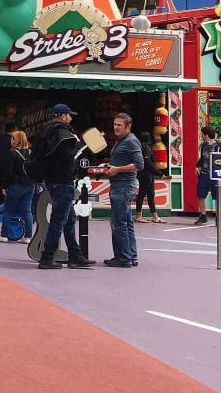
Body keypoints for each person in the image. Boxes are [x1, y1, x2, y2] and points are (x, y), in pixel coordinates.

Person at [29, 103, 94, 269]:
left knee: (69, 219)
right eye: (69, 115)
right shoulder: (63, 133)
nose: (71, 118)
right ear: (63, 115)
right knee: (59, 220)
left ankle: (74, 255)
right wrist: (79, 145)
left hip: (52, 180)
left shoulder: (46, 130)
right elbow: (66, 157)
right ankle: (47, 257)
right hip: (63, 181)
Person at [103, 112, 144, 268]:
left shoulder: (131, 141)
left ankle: (123, 258)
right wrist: (110, 166)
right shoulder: (123, 141)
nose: (116, 127)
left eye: (119, 125)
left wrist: (117, 170)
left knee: (118, 223)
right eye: (115, 124)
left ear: (128, 126)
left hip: (123, 186)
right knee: (126, 223)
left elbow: (139, 164)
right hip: (122, 185)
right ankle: (131, 256)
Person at [0, 130, 33, 244]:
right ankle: (28, 237)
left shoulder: (12, 153)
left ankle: (4, 235)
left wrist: (4, 186)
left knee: (8, 210)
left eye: (12, 138)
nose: (10, 140)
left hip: (16, 185)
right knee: (27, 211)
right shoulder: (31, 152)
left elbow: (9, 172)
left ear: (16, 140)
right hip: (30, 185)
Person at [134, 131, 164, 224]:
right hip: (145, 174)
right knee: (142, 195)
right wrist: (159, 173)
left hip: (147, 174)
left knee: (150, 195)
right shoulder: (145, 148)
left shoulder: (141, 147)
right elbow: (148, 162)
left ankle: (155, 216)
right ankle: (138, 216)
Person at [194, 125, 220, 226]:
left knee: (217, 197)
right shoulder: (203, 146)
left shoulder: (218, 146)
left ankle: (219, 217)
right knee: (200, 195)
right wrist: (197, 166)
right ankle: (203, 216)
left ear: (207, 135)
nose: (202, 136)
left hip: (214, 175)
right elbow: (202, 158)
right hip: (204, 174)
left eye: (202, 134)